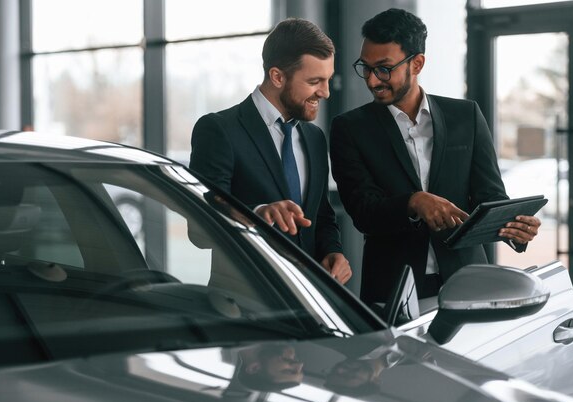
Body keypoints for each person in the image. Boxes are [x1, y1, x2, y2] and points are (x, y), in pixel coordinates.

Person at [329, 8, 541, 302]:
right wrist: (414, 202)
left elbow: (489, 196)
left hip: (470, 282)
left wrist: (514, 228)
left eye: (384, 68)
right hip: (393, 288)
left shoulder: (465, 116)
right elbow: (363, 211)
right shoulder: (349, 128)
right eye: (366, 67)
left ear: (417, 64)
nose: (373, 80)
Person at [190, 18, 351, 284]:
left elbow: (321, 216)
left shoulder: (315, 137)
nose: (324, 93)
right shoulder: (219, 130)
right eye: (314, 81)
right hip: (245, 305)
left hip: (311, 301)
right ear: (277, 76)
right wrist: (257, 216)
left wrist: (334, 252)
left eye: (328, 80)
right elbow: (199, 231)